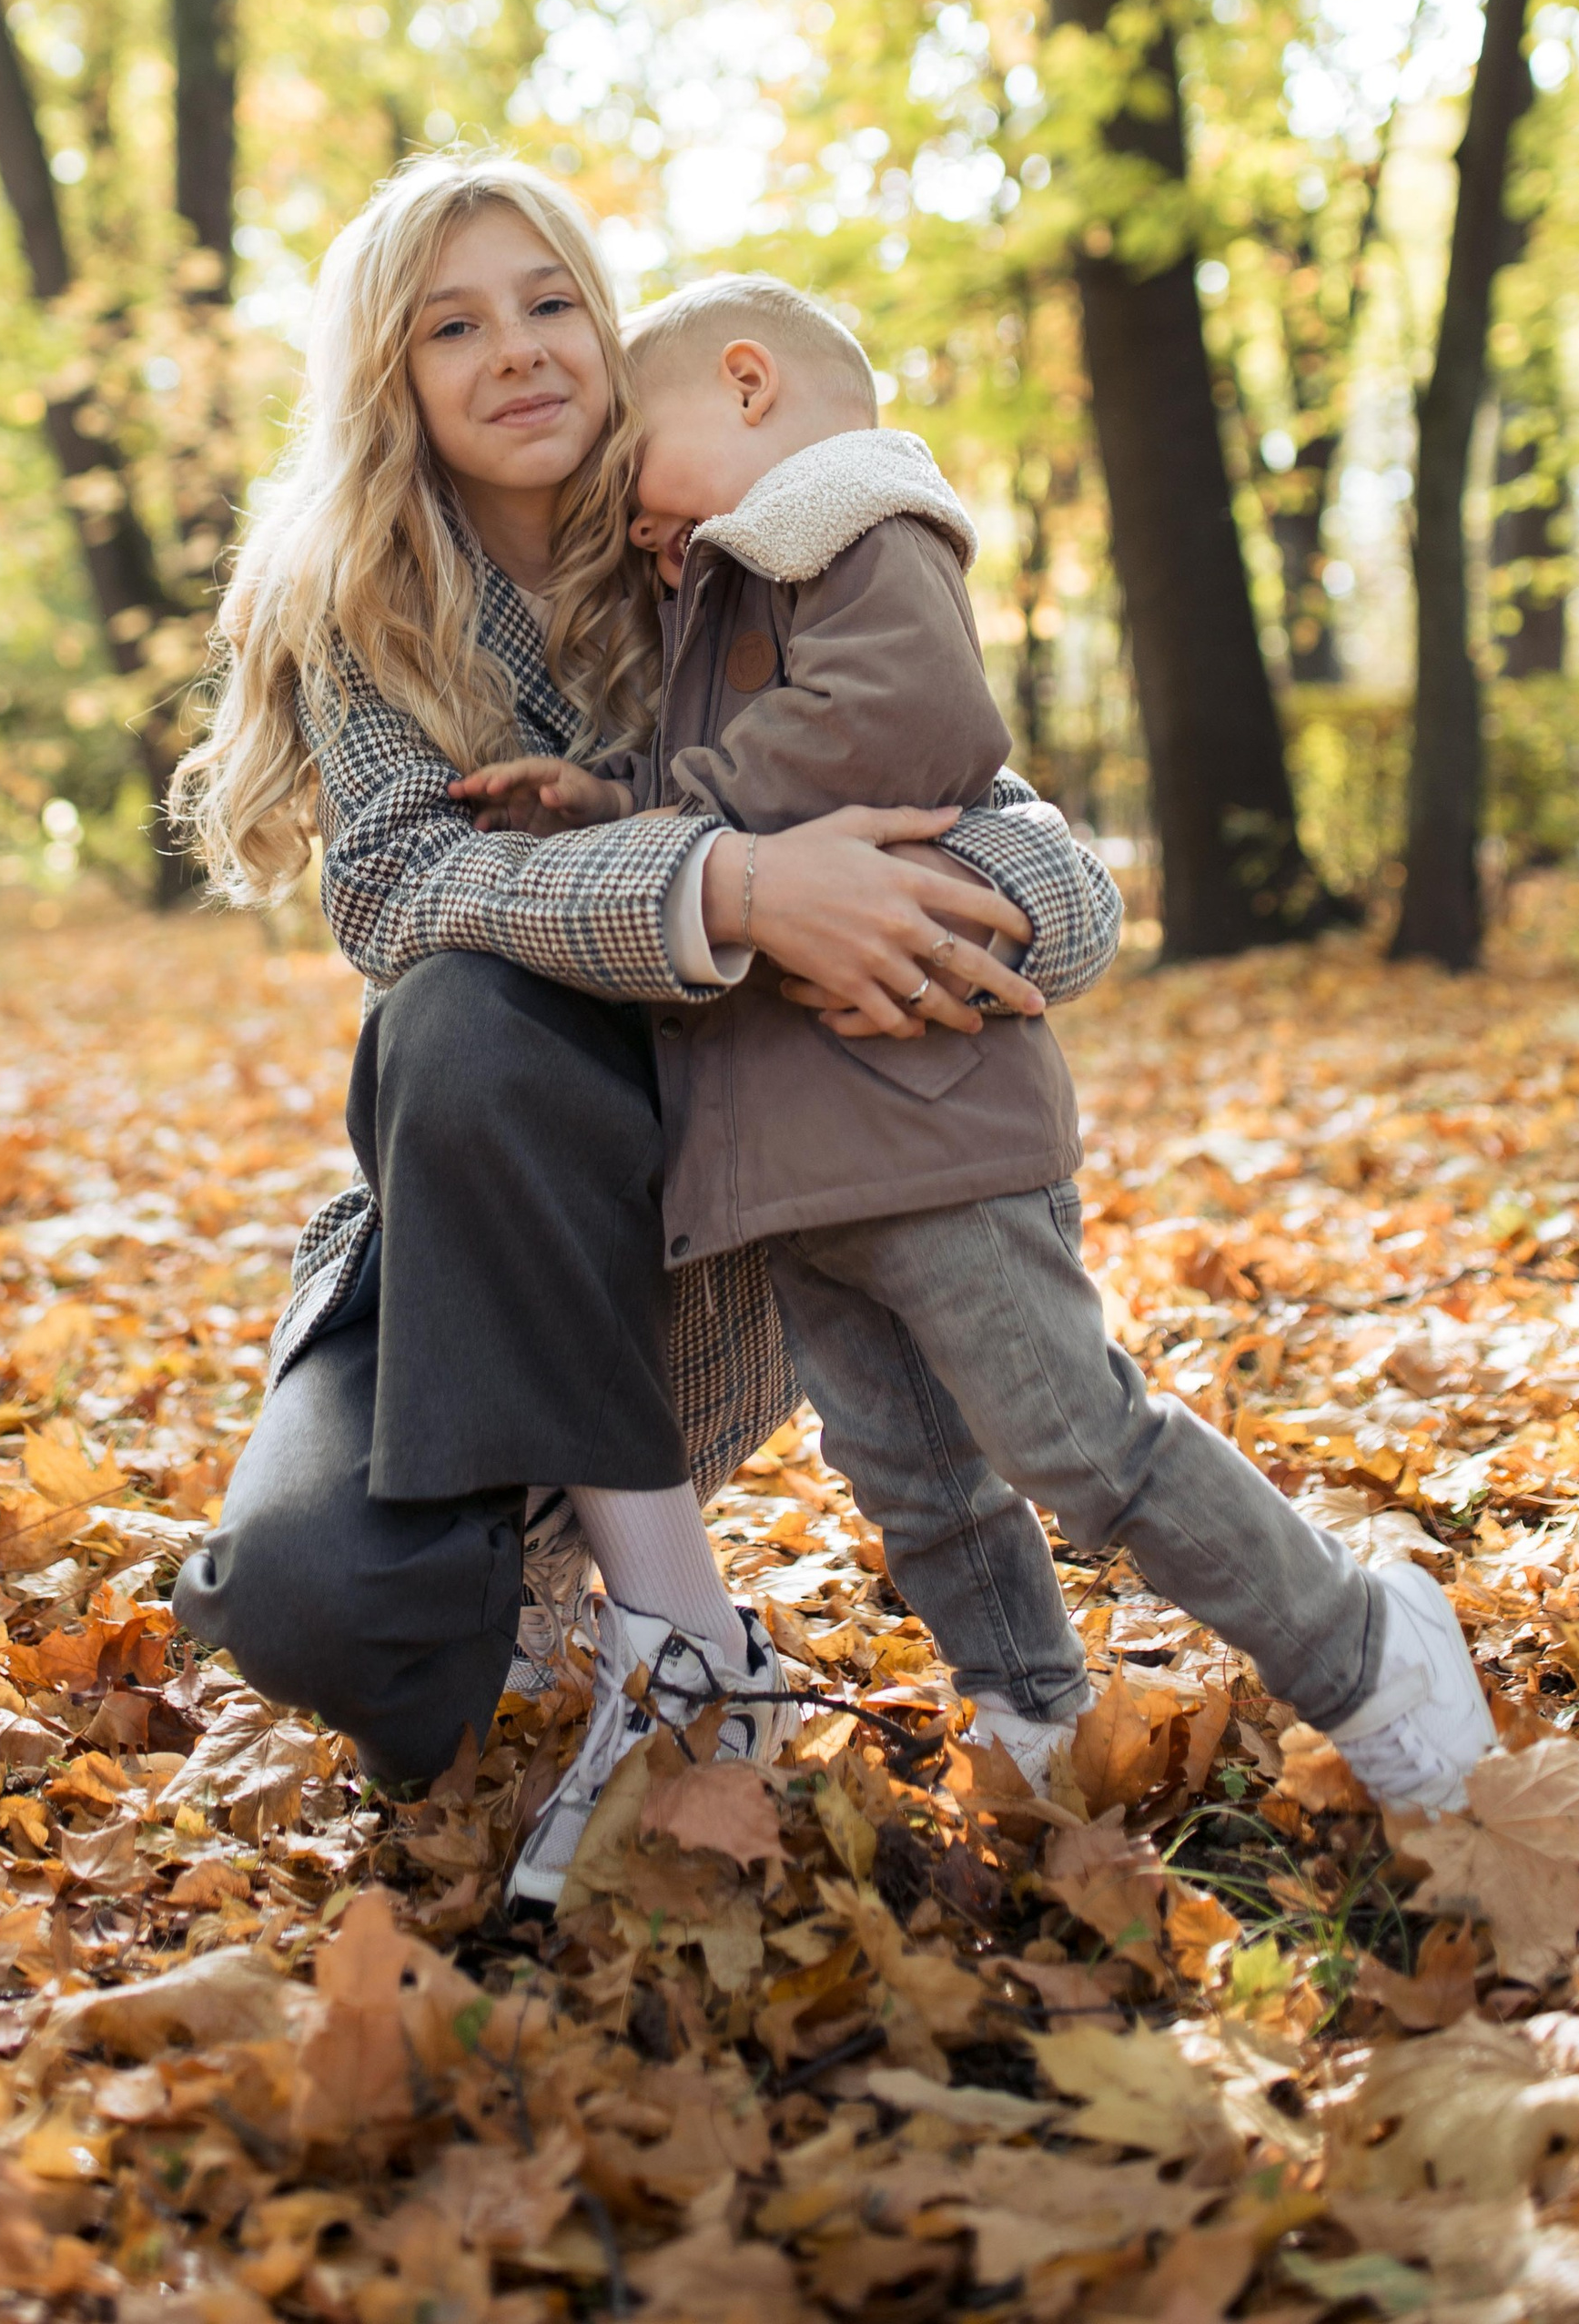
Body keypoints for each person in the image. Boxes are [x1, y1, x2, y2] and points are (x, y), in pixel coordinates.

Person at [457, 271, 1496, 1893]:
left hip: (928, 1129)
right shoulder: (728, 584)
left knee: (1078, 1439)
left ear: (746, 387)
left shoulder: (851, 530)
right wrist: (609, 809)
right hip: (797, 1167)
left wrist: (670, 818)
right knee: (917, 1482)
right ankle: (1030, 1703)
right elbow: (728, 809)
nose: (643, 531)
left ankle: (1361, 1645)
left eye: (643, 475)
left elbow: (908, 719)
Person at [167, 157, 1122, 1835]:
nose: (517, 350)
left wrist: (913, 912)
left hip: (725, 1199)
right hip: (477, 1222)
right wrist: (741, 885)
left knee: (461, 1018)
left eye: (550, 303)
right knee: (313, 1600)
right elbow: (397, 886)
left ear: (610, 332)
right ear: (389, 377)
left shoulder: (740, 537)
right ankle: (586, 1577)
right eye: (452, 324)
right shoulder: (365, 606)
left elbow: (1036, 849)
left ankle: (678, 1639)